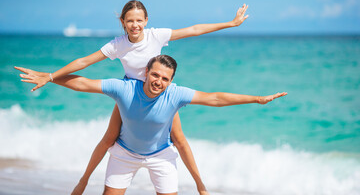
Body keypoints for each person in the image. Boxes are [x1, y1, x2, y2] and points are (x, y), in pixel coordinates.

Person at [16, 0, 249, 195]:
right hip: (130, 96)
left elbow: (194, 30)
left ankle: (200, 185)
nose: (135, 25)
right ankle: (84, 181)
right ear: (123, 23)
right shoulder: (118, 45)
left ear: (146, 21)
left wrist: (231, 23)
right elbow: (84, 62)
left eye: (139, 20)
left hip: (160, 94)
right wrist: (50, 75)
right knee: (109, 140)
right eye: (130, 21)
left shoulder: (156, 35)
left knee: (179, 140)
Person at [16, 55, 287, 195]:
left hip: (161, 155)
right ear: (146, 72)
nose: (158, 81)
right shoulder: (124, 88)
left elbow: (215, 98)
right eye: (154, 74)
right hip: (124, 153)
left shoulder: (176, 94)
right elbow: (83, 83)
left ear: (171, 81)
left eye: (165, 78)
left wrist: (256, 99)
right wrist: (49, 77)